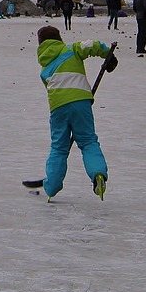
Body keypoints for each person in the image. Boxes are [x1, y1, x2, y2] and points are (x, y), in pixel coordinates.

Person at [34, 25, 116, 200]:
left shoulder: (44, 69)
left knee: (59, 148)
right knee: (87, 141)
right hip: (80, 102)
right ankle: (98, 174)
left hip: (58, 108)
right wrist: (108, 55)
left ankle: (52, 186)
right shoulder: (72, 49)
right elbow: (92, 45)